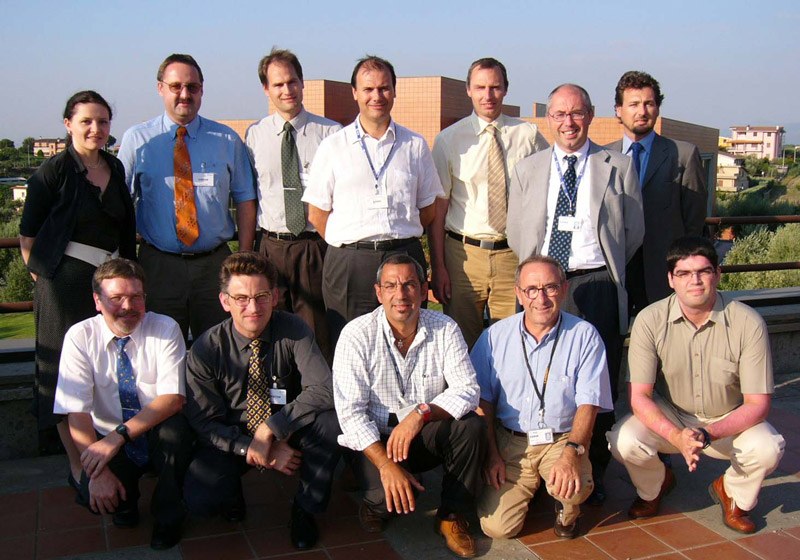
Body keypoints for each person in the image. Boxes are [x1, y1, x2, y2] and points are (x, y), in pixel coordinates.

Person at [507, 83, 644, 505]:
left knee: (597, 383)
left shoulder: (618, 165)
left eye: (577, 113)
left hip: (596, 282)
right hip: (544, 285)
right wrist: (543, 279)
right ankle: (540, 466)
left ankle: (591, 469)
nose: (569, 122)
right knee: (541, 375)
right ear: (549, 119)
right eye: (560, 114)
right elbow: (516, 231)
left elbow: (633, 231)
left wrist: (598, 263)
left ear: (591, 115)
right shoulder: (528, 169)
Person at [608, 236, 785, 534]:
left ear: (718, 274)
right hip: (672, 414)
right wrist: (676, 436)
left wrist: (707, 433)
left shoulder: (748, 322)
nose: (695, 281)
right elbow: (639, 397)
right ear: (671, 279)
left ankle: (732, 492)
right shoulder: (650, 320)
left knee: (768, 448)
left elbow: (758, 404)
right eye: (684, 273)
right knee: (624, 440)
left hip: (727, 419)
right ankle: (654, 487)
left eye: (704, 271)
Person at [19, 90, 137, 489]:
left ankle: (108, 454)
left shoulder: (115, 167)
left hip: (109, 286)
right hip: (63, 288)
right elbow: (28, 237)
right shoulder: (51, 172)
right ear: (68, 124)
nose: (95, 128)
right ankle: (78, 464)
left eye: (102, 121)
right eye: (86, 121)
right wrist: (48, 282)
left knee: (105, 367)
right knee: (64, 375)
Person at [183, 252, 340, 550]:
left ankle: (305, 508)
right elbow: (204, 422)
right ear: (225, 301)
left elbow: (324, 387)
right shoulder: (206, 348)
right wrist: (253, 449)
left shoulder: (294, 329)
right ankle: (231, 493)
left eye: (261, 296)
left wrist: (271, 429)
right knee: (201, 499)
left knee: (331, 424)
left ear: (275, 297)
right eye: (241, 298)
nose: (253, 308)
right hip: (233, 435)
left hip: (286, 425)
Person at [333, 254, 485, 559]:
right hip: (375, 440)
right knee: (387, 500)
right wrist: (386, 466)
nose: (400, 294)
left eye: (409, 285)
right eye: (391, 286)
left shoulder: (445, 328)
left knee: (470, 425)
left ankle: (451, 516)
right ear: (378, 293)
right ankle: (372, 496)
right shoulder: (356, 334)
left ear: (424, 289)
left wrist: (421, 414)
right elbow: (350, 414)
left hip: (420, 432)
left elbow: (468, 390)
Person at [303, 56, 443, 346]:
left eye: (384, 88)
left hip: (403, 255)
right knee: (349, 344)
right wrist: (350, 243)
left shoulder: (414, 145)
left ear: (394, 91)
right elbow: (317, 213)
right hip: (350, 264)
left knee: (410, 339)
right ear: (354, 92)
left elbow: (428, 208)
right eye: (368, 89)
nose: (376, 96)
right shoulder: (333, 146)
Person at [53, 259, 192, 550]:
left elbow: (173, 399)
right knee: (93, 496)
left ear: (145, 297)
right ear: (97, 301)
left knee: (176, 434)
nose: (128, 306)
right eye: (116, 298)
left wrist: (118, 437)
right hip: (107, 436)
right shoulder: (79, 337)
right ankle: (125, 502)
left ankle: (168, 515)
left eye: (136, 297)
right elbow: (76, 411)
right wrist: (97, 473)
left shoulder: (165, 328)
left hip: (152, 429)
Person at [118, 53, 257, 341]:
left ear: (202, 90)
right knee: (158, 347)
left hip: (215, 266)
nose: (185, 94)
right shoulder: (138, 140)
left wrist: (243, 257)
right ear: (160, 88)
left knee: (221, 346)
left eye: (192, 87)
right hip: (158, 266)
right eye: (176, 86)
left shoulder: (227, 140)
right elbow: (120, 203)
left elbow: (245, 198)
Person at [472, 256, 612, 540]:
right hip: (512, 443)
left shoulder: (584, 335)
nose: (541, 298)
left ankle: (566, 509)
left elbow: (589, 404)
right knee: (498, 528)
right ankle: (533, 486)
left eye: (550, 287)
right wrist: (492, 454)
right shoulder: (494, 337)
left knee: (573, 488)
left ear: (564, 289)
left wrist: (572, 453)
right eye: (532, 290)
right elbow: (481, 402)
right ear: (519, 293)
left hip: (562, 440)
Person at [430, 57, 548, 349]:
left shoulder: (529, 136)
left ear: (506, 89)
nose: (488, 95)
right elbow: (439, 209)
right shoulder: (448, 140)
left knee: (512, 342)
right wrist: (439, 266)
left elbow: (545, 193)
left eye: (495, 87)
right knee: (461, 344)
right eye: (480, 87)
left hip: (513, 255)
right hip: (463, 257)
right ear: (468, 90)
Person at [245, 48, 342, 362]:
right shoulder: (254, 135)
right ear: (266, 89)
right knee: (271, 333)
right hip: (271, 247)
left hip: (314, 247)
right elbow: (250, 195)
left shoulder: (330, 134)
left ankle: (320, 391)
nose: (287, 90)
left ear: (302, 82)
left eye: (292, 82)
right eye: (278, 84)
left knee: (316, 336)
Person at [606, 70, 708, 314]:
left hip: (663, 275)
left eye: (649, 103)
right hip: (615, 273)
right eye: (633, 104)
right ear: (618, 110)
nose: (642, 111)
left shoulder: (683, 155)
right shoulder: (603, 157)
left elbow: (694, 222)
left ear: (657, 108)